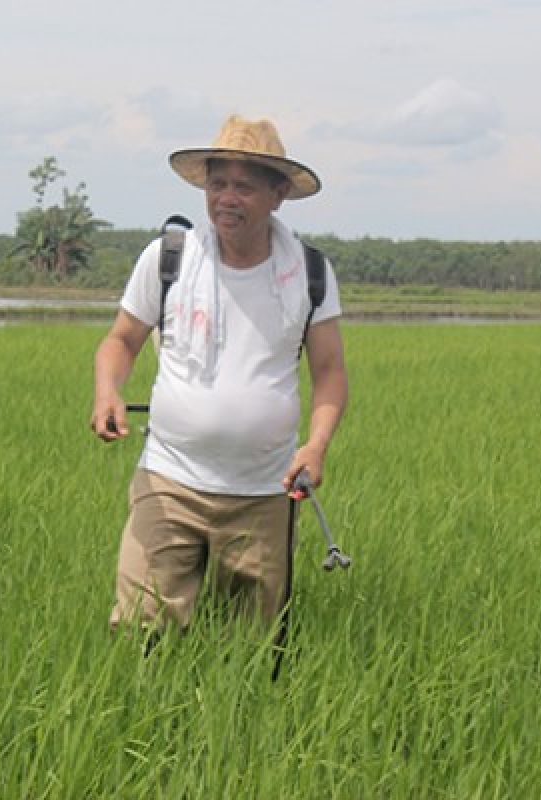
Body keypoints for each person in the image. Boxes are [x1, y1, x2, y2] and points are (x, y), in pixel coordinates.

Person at [89, 114, 348, 634]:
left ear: (277, 195)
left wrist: (316, 445)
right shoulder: (169, 259)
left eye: (244, 187)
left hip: (265, 493)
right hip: (169, 480)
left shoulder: (309, 273)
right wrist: (107, 392)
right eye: (217, 183)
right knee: (141, 633)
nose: (227, 198)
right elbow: (120, 340)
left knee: (248, 645)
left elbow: (329, 371)